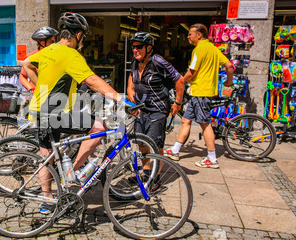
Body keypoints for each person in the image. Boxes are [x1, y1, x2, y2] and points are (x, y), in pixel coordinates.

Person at [22, 12, 134, 213]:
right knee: (99, 125)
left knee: (47, 154)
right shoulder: (72, 55)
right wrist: (120, 98)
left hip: (40, 111)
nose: (84, 40)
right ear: (78, 34)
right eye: (84, 36)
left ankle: (47, 201)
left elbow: (26, 64)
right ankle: (74, 171)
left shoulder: (49, 50)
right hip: (54, 113)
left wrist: (39, 88)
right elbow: (91, 80)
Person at [164, 23, 234, 169]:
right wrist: (229, 81)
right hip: (202, 92)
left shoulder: (199, 49)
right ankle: (175, 150)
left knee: (205, 124)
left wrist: (181, 80)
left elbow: (192, 72)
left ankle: (212, 158)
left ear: (199, 35)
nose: (188, 36)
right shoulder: (214, 49)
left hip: (200, 92)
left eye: (190, 34)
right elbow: (229, 66)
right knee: (186, 120)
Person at [127, 32, 185, 161]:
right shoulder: (136, 61)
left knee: (155, 145)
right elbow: (131, 74)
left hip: (157, 109)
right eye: (133, 47)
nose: (135, 50)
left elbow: (180, 80)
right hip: (141, 108)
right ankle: (147, 174)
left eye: (139, 46)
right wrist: (130, 90)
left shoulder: (158, 61)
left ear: (148, 48)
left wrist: (178, 103)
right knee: (141, 143)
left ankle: (156, 177)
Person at [19, 26, 58, 92]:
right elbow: (22, 76)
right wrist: (31, 88)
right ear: (43, 43)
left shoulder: (57, 55)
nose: (54, 44)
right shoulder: (30, 57)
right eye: (52, 41)